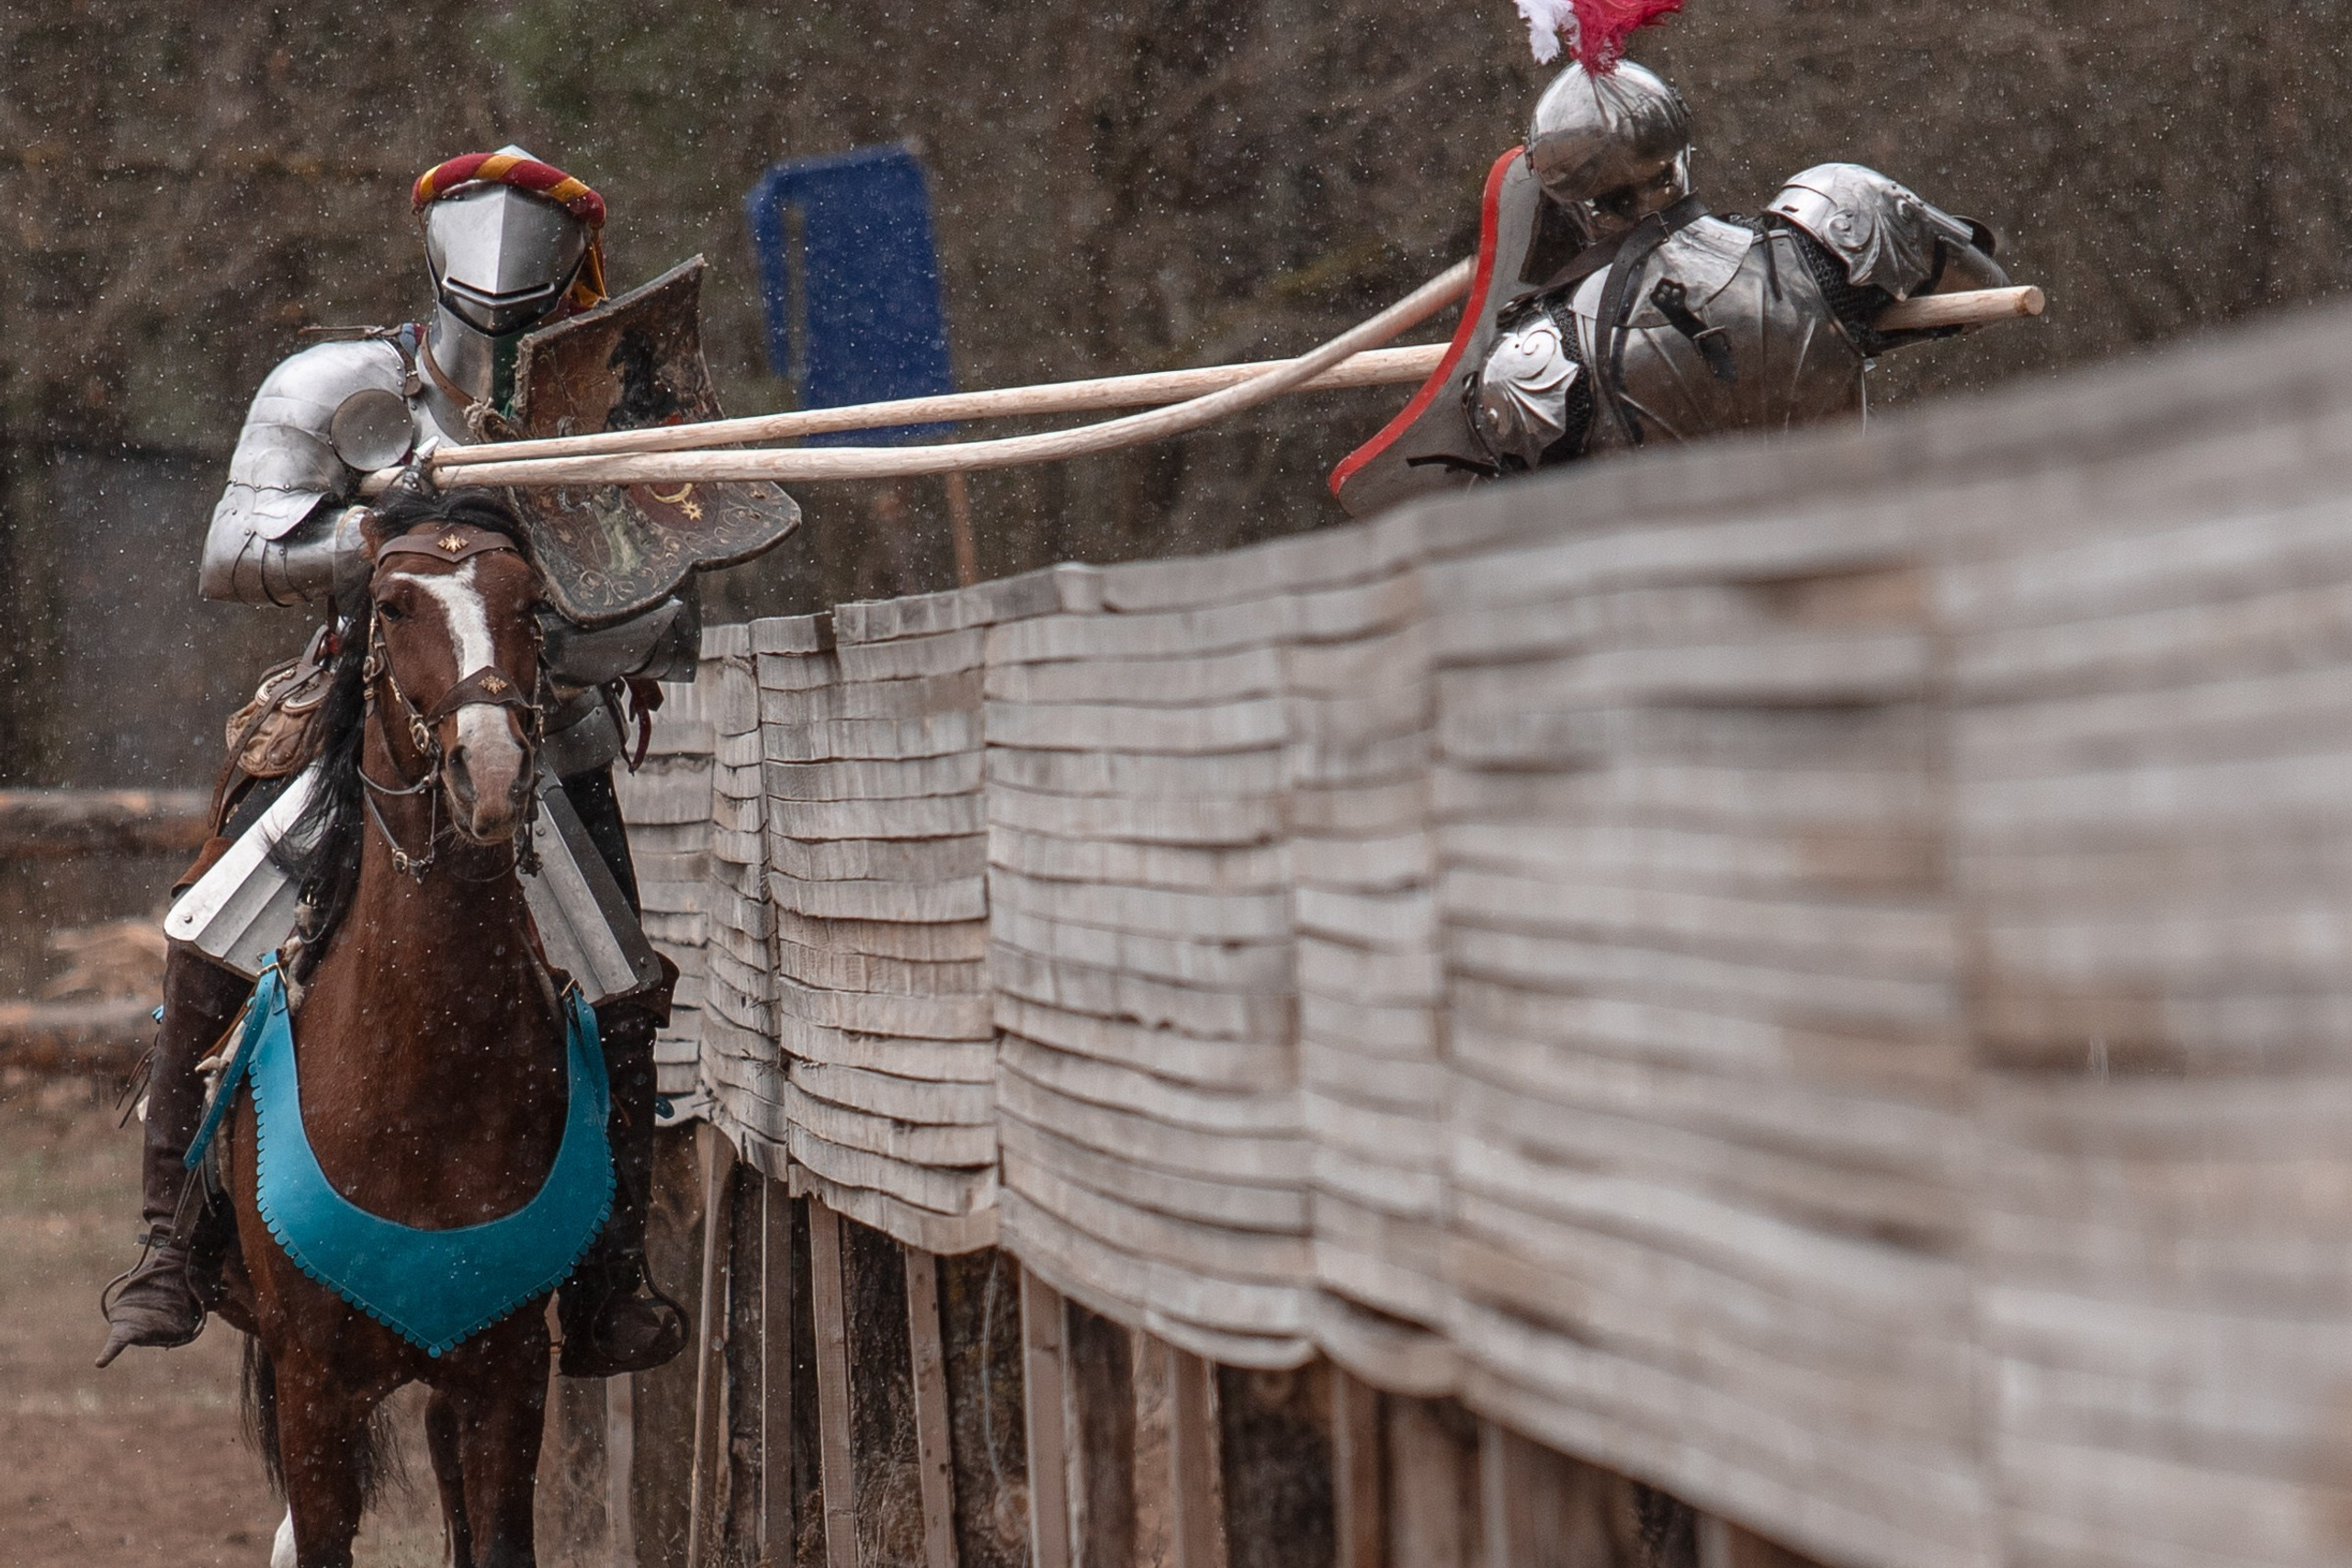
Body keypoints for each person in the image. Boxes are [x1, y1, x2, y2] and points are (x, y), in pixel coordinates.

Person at [98, 150, 697, 1377]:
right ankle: (169, 1233)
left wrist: (537, 572)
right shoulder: (340, 385)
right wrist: (378, 523)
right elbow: (236, 552)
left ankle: (607, 1274)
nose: (509, 330)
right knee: (211, 927)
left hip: (544, 731)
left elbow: (669, 614)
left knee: (621, 988)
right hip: (359, 719)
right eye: (493, 311)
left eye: (532, 313)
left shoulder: (615, 410)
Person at [1331, 49, 2008, 515]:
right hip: (1853, 556)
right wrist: (1840, 321)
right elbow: (1977, 295)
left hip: (1677, 634)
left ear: (1567, 200)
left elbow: (1498, 522)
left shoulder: (1535, 359)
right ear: (1682, 153)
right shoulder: (1832, 222)